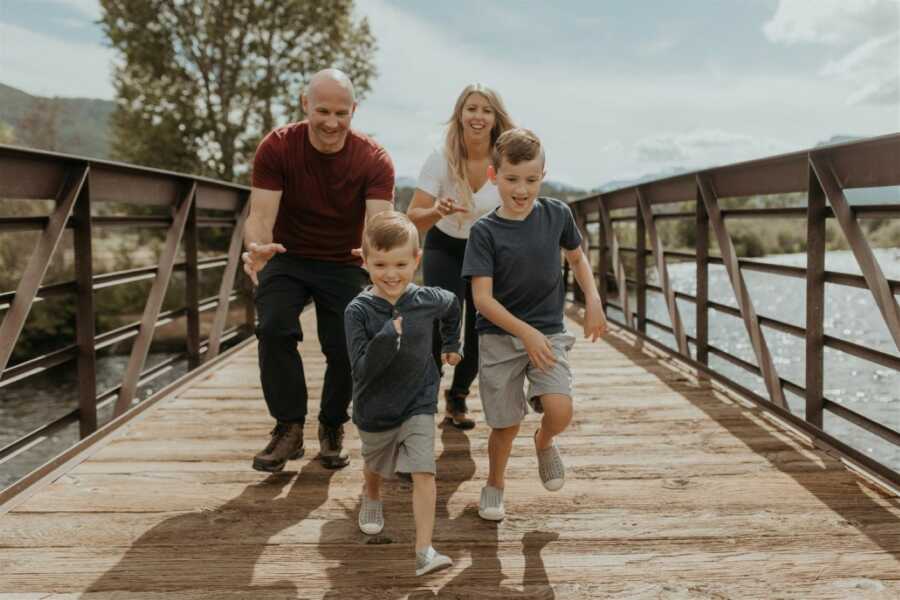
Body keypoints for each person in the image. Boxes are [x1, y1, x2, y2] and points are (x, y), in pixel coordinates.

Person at [242, 69, 394, 472]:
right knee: (274, 327)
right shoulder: (277, 147)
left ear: (354, 110)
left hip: (345, 259)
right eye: (322, 110)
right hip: (285, 254)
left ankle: (332, 425)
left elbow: (379, 222)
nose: (332, 122)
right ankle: (288, 428)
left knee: (345, 343)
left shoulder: (373, 158)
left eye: (341, 112)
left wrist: (374, 257)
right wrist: (257, 249)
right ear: (304, 104)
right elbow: (259, 216)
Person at [461, 128, 607, 521]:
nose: (521, 189)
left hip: (548, 333)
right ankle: (494, 484)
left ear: (543, 175)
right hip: (499, 336)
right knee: (505, 425)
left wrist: (592, 299)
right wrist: (523, 333)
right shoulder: (484, 233)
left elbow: (577, 259)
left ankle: (544, 442)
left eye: (531, 179)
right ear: (494, 176)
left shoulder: (557, 213)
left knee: (560, 410)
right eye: (511, 179)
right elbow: (482, 300)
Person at [344, 211, 461, 576]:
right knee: (376, 465)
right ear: (365, 262)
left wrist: (451, 343)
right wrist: (385, 339)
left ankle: (424, 550)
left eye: (400, 263)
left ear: (417, 260)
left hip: (419, 400)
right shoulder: (358, 311)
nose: (391, 274)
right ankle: (372, 495)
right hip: (375, 407)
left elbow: (453, 304)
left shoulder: (426, 299)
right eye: (380, 264)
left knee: (424, 472)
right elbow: (361, 369)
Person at [407, 84, 515, 430]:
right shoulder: (440, 159)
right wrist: (437, 210)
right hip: (444, 244)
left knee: (480, 328)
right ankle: (424, 398)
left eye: (486, 110)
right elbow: (413, 216)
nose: (478, 116)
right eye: (471, 108)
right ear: (460, 114)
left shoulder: (504, 160)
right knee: (441, 318)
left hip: (485, 250)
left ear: (495, 117)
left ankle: (458, 396)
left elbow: (520, 204)